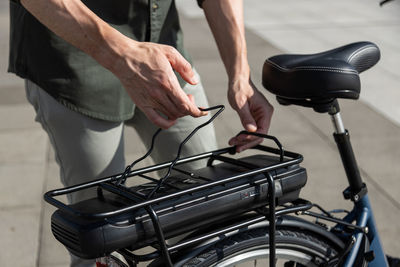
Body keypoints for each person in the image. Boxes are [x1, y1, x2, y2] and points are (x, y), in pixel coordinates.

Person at [9, 0, 273, 266]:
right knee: (101, 233)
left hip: (163, 56)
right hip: (72, 62)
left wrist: (240, 75)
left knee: (207, 201)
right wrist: (123, 55)